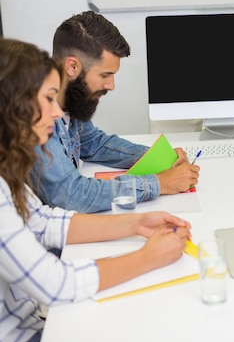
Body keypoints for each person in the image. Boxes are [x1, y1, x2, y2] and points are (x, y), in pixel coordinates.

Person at [0, 37, 192, 342]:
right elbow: (55, 284)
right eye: (48, 98)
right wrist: (147, 257)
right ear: (14, 105)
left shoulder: (7, 168)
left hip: (30, 320)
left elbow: (45, 221)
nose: (58, 110)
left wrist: (136, 223)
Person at [29, 11, 199, 213]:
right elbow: (72, 194)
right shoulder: (38, 116)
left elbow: (93, 143)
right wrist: (160, 183)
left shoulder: (71, 100)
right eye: (105, 75)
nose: (111, 85)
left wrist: (160, 159)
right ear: (72, 66)